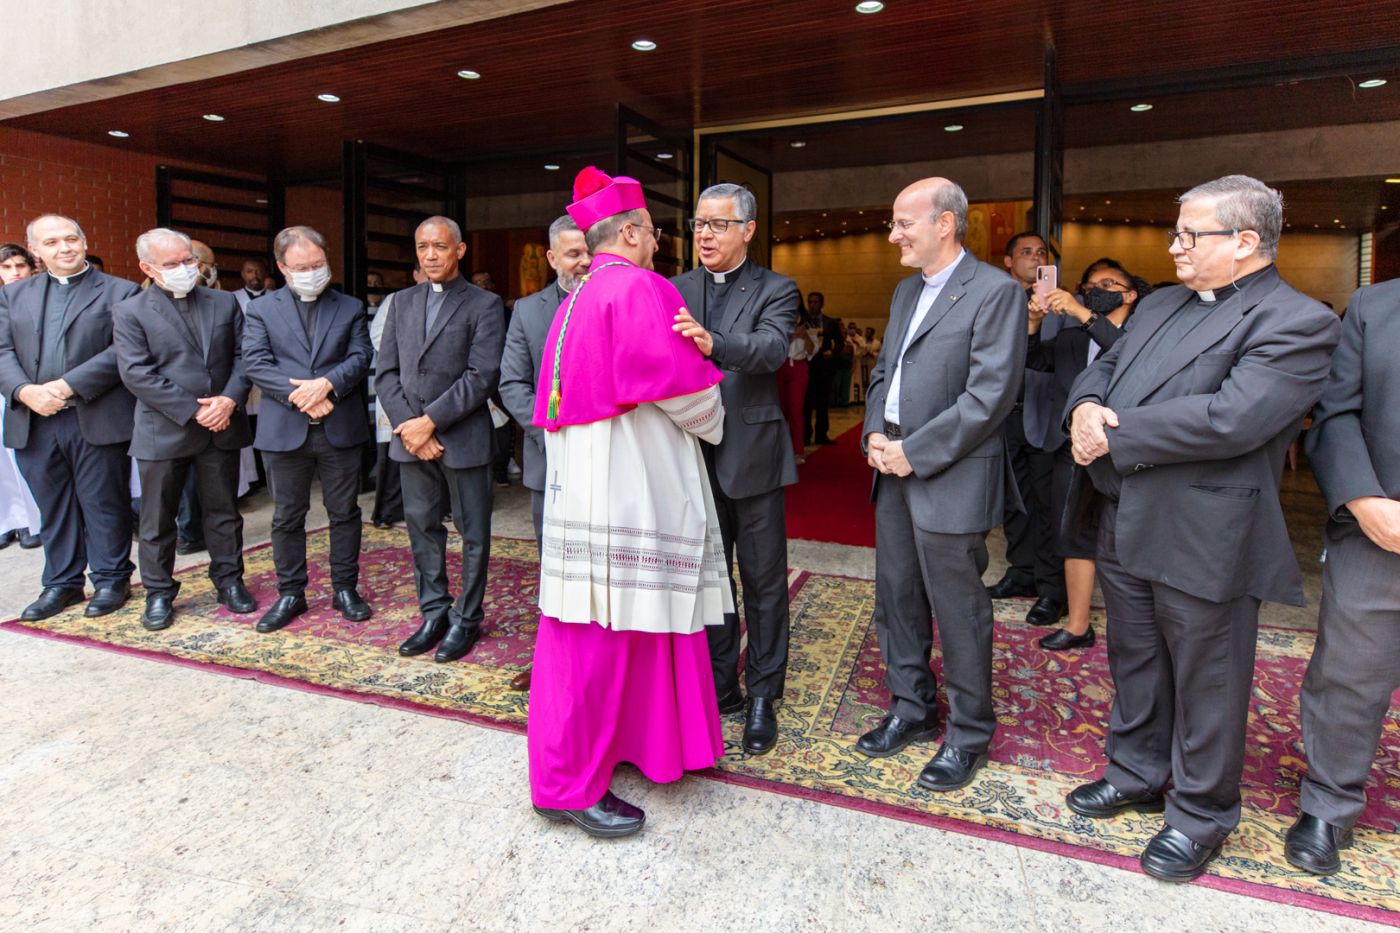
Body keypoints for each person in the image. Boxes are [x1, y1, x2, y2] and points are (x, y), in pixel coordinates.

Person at [1063, 175, 1340, 882]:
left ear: (1246, 242)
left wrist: (1112, 433)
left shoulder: (1295, 319)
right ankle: (1135, 771)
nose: (1174, 247)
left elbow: (1233, 418)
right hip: (1124, 509)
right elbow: (1108, 366)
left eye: (1191, 235)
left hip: (1204, 526)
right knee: (1135, 658)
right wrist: (1085, 408)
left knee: (1208, 678)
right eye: (1177, 233)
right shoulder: (1159, 302)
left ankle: (1200, 812)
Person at [527, 166, 728, 837]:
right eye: (653, 232)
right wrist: (713, 397)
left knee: (615, 626)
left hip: (588, 486)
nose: (656, 243)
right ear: (635, 231)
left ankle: (633, 747)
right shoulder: (641, 287)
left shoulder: (575, 297)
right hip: (626, 487)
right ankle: (565, 784)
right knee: (600, 635)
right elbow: (686, 396)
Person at [857, 177, 1025, 794]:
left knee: (958, 612)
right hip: (892, 462)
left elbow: (990, 397)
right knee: (896, 598)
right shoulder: (906, 291)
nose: (894, 233)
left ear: (945, 224)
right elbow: (883, 373)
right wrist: (875, 433)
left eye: (904, 223)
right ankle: (911, 708)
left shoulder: (995, 292)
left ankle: (969, 734)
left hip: (947, 472)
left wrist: (912, 452)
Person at [672, 182, 800, 753]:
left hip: (753, 456)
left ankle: (763, 694)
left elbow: (771, 350)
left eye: (718, 225)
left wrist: (711, 343)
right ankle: (719, 683)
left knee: (764, 581)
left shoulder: (777, 288)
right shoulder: (672, 288)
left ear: (747, 230)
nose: (705, 234)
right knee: (707, 579)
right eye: (699, 223)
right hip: (688, 456)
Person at [1289, 278, 1400, 876]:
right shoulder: (1376, 306)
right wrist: (1362, 499)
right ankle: (1329, 804)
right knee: (1349, 674)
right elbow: (1336, 415)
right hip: (1380, 527)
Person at [113, 228, 256, 630]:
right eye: (172, 264)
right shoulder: (131, 311)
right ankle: (158, 592)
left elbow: (246, 356)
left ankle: (229, 581)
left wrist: (229, 399)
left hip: (222, 423)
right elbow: (136, 373)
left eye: (188, 261)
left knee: (224, 511)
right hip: (164, 429)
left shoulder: (224, 302)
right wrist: (195, 412)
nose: (184, 269)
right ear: (148, 268)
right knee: (158, 519)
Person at [376, 216, 504, 663]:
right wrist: (411, 426)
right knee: (422, 529)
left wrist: (430, 422)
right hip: (411, 440)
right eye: (423, 247)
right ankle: (433, 612)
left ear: (460, 250)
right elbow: (386, 372)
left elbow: (482, 375)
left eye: (440, 247)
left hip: (462, 436)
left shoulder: (484, 304)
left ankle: (467, 618)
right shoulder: (402, 302)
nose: (430, 255)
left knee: (473, 533)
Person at [0, 215, 140, 621]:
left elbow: (121, 352)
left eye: (71, 238)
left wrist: (65, 387)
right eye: (52, 242)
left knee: (104, 502)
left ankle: (113, 578)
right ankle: (62, 583)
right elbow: (2, 351)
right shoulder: (13, 296)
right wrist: (26, 392)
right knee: (52, 505)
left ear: (83, 240)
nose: (64, 247)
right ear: (36, 251)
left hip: (92, 413)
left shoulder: (121, 291)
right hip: (34, 418)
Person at [242, 225, 374, 632]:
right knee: (286, 515)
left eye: (319, 265)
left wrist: (327, 385)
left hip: (339, 425)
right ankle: (291, 592)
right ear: (282, 267)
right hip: (285, 428)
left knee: (345, 512)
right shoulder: (261, 309)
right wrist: (299, 395)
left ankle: (344, 588)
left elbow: (361, 353)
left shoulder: (349, 306)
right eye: (302, 267)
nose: (312, 272)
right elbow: (256, 361)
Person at [1025, 259, 1144, 650]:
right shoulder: (1073, 339)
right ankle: (1078, 625)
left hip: (1127, 450)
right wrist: (1033, 323)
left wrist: (1081, 311)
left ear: (1130, 294)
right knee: (1073, 533)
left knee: (1128, 537)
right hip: (1070, 451)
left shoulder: (1145, 334)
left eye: (1108, 283)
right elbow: (1033, 359)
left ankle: (1139, 624)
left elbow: (1127, 354)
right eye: (1090, 284)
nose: (1097, 289)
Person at [498, 214, 591, 692]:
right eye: (573, 254)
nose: (584, 262)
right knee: (554, 567)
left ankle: (604, 665)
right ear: (552, 258)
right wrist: (548, 436)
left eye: (589, 250)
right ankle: (552, 664)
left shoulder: (614, 301)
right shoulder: (528, 311)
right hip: (548, 460)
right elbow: (511, 382)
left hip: (608, 463)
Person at [985, 232, 1065, 627]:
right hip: (1003, 416)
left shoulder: (1060, 304)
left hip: (1044, 413)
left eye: (1041, 253)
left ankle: (1052, 589)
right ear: (1007, 261)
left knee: (1047, 504)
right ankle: (1021, 571)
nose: (1035, 258)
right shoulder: (995, 300)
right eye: (1026, 252)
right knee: (1013, 502)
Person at [0, 244, 42, 550]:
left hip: (29, 387)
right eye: (7, 268)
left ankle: (31, 521)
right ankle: (7, 520)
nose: (15, 273)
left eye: (20, 266)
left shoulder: (40, 298)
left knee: (23, 457)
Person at [777, 301, 816, 464]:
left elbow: (812, 351)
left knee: (796, 410)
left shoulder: (808, 326)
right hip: (779, 367)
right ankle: (780, 450)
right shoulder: (777, 322)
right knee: (780, 410)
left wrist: (804, 336)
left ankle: (798, 451)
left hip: (799, 366)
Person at [802, 292, 840, 445]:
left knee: (823, 404)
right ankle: (805, 435)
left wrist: (832, 352)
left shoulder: (830, 322)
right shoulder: (803, 322)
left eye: (815, 302)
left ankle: (821, 434)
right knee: (806, 404)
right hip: (806, 366)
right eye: (810, 302)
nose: (812, 305)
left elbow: (840, 343)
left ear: (822, 304)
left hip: (824, 368)